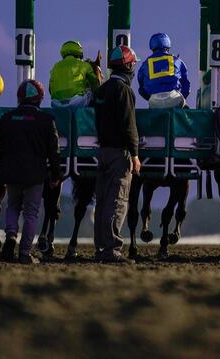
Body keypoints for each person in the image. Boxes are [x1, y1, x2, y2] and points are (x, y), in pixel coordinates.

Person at [0, 80, 61, 264]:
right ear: (40, 99)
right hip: (35, 174)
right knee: (31, 213)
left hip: (12, 173)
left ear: (19, 98)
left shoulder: (7, 118)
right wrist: (56, 175)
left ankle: (10, 236)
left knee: (13, 207)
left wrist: (3, 168)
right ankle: (24, 252)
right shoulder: (47, 120)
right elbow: (54, 152)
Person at [92, 45, 141, 264]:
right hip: (119, 154)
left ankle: (101, 246)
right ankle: (112, 249)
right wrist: (135, 154)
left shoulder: (101, 91)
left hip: (102, 151)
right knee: (118, 200)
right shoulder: (124, 91)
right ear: (129, 66)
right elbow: (129, 125)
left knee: (102, 201)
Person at [137, 33, 191, 109]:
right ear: (168, 46)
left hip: (154, 101)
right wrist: (183, 99)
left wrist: (151, 98)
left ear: (152, 47)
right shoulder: (177, 61)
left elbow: (141, 89)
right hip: (174, 99)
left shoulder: (145, 64)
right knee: (185, 110)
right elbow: (186, 85)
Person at [49, 41, 101, 108]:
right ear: (79, 51)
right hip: (76, 103)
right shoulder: (84, 65)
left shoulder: (55, 66)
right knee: (90, 91)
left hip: (56, 103)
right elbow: (95, 84)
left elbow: (50, 89)